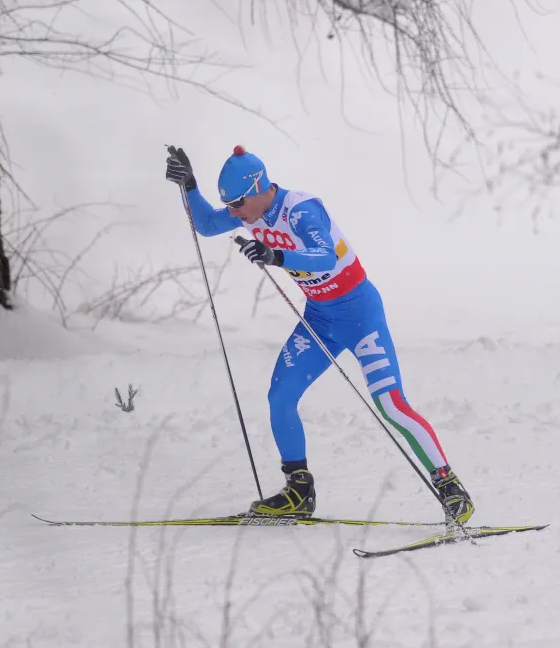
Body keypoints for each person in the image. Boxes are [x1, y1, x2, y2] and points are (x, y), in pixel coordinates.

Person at [164, 144, 475, 525]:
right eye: (229, 204)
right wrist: (190, 186)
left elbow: (324, 254)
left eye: (239, 203)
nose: (233, 212)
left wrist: (276, 256)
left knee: (391, 404)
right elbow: (209, 225)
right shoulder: (248, 212)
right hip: (319, 320)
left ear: (260, 185)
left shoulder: (300, 209)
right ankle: (299, 491)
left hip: (360, 316)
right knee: (280, 397)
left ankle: (451, 489)